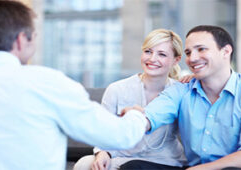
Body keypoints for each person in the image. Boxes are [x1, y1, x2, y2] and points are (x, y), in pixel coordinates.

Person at [0, 1, 148, 170]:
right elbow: (122, 136)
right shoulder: (46, 83)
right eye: (34, 36)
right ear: (21, 40)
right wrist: (136, 115)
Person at [120, 25, 241, 170]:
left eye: (201, 49)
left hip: (228, 168)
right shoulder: (182, 89)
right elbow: (153, 113)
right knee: (134, 167)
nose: (193, 58)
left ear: (226, 51)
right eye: (188, 52)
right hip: (191, 167)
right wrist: (137, 118)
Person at [73, 29, 189, 170]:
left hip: (163, 161)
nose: (152, 59)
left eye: (162, 54)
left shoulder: (180, 92)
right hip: (121, 157)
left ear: (176, 60)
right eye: (148, 51)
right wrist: (103, 153)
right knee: (84, 165)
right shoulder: (117, 89)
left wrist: (196, 78)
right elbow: (104, 131)